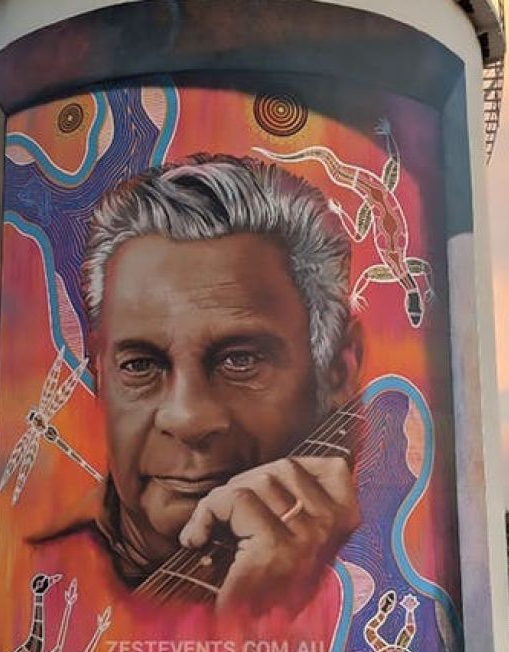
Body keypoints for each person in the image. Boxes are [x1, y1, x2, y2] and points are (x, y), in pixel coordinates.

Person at [32, 154, 364, 616]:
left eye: (240, 360)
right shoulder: (39, 580)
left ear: (339, 369)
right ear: (99, 373)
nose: (186, 417)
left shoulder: (370, 563)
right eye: (141, 365)